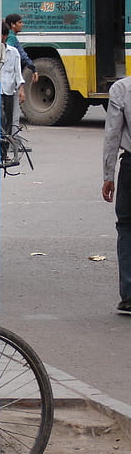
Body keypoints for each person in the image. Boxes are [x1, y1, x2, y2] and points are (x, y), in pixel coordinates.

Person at [101, 76, 131, 314]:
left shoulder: (122, 88)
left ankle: (129, 295)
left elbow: (113, 133)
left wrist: (108, 174)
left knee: (127, 227)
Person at [5, 13, 37, 135]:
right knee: (13, 113)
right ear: (13, 25)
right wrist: (33, 68)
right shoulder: (12, 39)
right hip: (10, 82)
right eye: (19, 22)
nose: (22, 25)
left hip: (8, 82)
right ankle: (13, 139)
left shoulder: (10, 37)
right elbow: (18, 56)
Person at [0, 22, 24, 149]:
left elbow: (17, 72)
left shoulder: (13, 52)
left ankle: (4, 151)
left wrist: (21, 89)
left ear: (5, 36)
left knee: (8, 121)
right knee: (1, 119)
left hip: (9, 91)